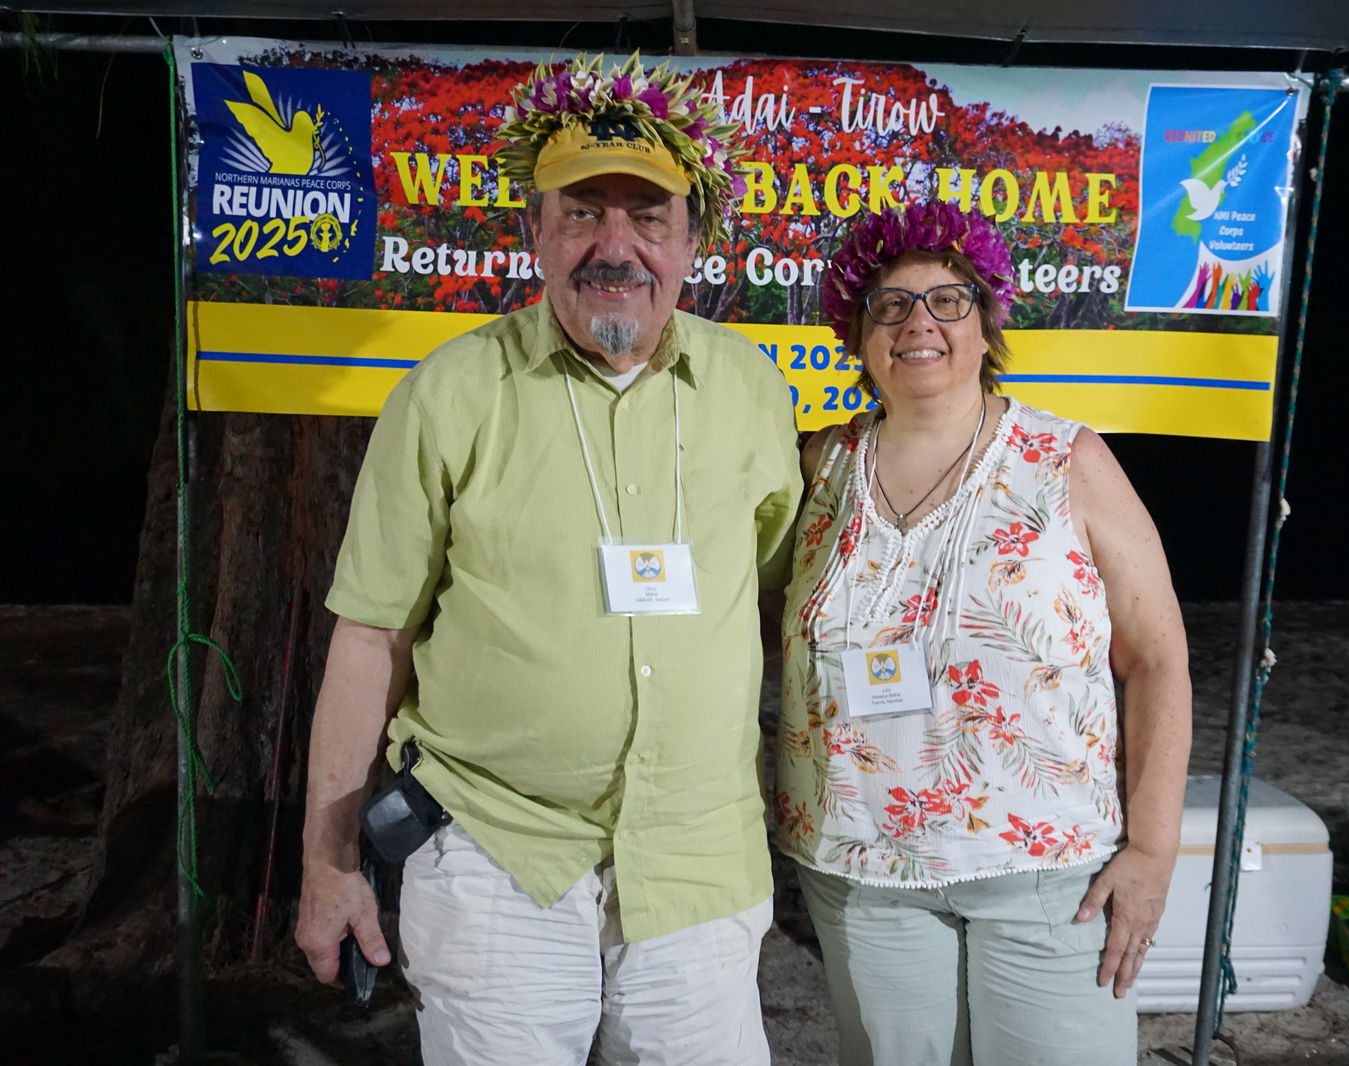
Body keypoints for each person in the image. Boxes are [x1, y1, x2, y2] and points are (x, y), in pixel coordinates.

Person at [294, 53, 801, 1066]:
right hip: (495, 854)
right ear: (533, 231)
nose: (615, 245)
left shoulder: (752, 390)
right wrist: (328, 863)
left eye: (647, 215)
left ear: (694, 240)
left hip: (698, 863)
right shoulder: (449, 393)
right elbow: (369, 639)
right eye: (582, 212)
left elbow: (770, 584)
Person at [774, 201, 1191, 1065]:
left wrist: (1151, 850)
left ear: (987, 319)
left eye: (946, 300)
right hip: (861, 871)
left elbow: (1156, 659)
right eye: (889, 304)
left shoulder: (1065, 459)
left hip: (1047, 876)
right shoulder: (819, 465)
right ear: (857, 334)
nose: (918, 322)